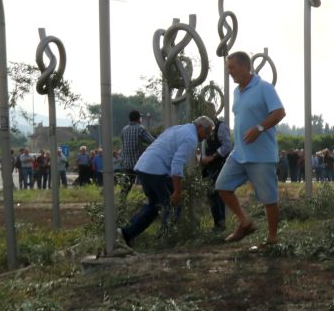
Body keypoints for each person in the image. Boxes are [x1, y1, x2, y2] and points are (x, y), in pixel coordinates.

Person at [215, 51, 287, 247]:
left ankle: (272, 238)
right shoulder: (237, 92)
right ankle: (245, 222)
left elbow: (280, 112)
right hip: (239, 153)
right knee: (222, 186)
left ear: (245, 66)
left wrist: (260, 128)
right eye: (227, 68)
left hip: (262, 155)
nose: (229, 72)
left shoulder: (264, 87)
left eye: (232, 68)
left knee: (269, 198)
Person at [116, 116, 214, 248]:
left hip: (144, 167)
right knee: (173, 205)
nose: (207, 136)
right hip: (156, 170)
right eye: (207, 132)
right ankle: (165, 239)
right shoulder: (191, 138)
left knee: (154, 206)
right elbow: (177, 165)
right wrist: (177, 191)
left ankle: (125, 233)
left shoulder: (178, 129)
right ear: (200, 127)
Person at [200, 113, 233, 230]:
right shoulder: (203, 127)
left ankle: (220, 223)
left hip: (218, 165)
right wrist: (202, 158)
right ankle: (217, 223)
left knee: (216, 193)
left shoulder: (221, 126)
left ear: (213, 112)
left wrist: (213, 156)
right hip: (207, 166)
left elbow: (227, 146)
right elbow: (203, 145)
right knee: (210, 194)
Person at [119, 110, 154, 196]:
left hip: (127, 163)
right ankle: (151, 201)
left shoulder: (124, 130)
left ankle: (121, 204)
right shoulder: (140, 129)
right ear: (138, 119)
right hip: (139, 163)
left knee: (126, 187)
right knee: (148, 183)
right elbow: (152, 141)